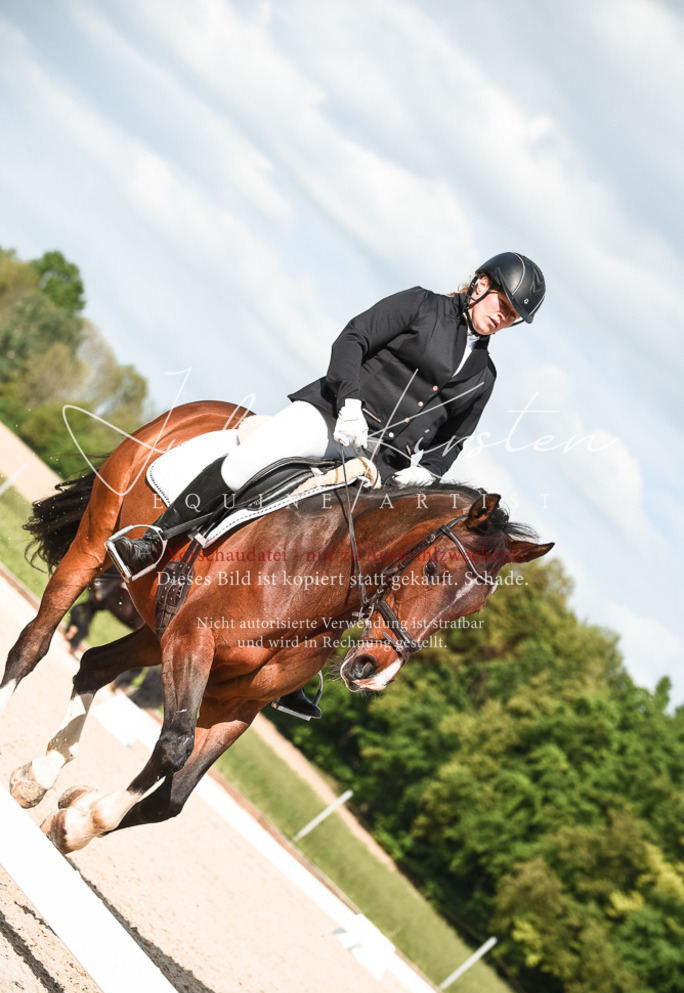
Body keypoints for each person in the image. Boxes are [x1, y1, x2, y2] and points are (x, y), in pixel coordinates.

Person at [107, 251, 545, 718]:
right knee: (252, 459)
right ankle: (156, 537)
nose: (503, 316)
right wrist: (351, 401)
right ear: (480, 284)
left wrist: (426, 475)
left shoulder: (484, 375)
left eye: (513, 316)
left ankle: (298, 665)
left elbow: (453, 440)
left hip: (383, 466)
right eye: (502, 302)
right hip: (333, 417)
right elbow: (353, 338)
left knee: (375, 561)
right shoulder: (421, 305)